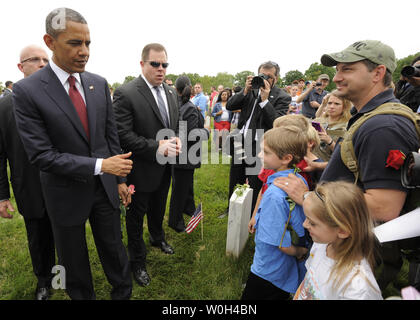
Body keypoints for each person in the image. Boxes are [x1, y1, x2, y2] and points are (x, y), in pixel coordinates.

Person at [274, 40, 420, 293]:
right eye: (337, 70)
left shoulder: (384, 126)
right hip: (347, 242)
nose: (337, 78)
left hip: (361, 254)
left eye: (347, 70)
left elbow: (384, 206)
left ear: (378, 73)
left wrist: (310, 199)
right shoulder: (369, 116)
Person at [13, 8, 133, 300]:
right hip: (63, 193)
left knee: (115, 250)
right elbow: (42, 156)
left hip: (105, 188)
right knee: (73, 263)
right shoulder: (27, 92)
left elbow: (109, 137)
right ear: (50, 41)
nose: (84, 52)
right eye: (74, 43)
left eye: (88, 43)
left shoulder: (99, 83)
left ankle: (123, 292)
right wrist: (102, 164)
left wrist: (118, 178)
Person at [112, 43, 181, 287]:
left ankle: (157, 237)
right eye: (155, 64)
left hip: (165, 168)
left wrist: (176, 139)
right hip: (139, 171)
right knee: (135, 217)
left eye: (165, 64)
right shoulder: (126, 93)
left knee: (158, 207)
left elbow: (174, 123)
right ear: (142, 64)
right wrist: (156, 147)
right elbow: (122, 134)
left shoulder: (171, 93)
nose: (161, 69)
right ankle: (137, 262)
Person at [0, 45, 55, 300]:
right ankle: (43, 280)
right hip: (28, 185)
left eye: (46, 59)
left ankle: (62, 274)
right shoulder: (5, 106)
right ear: (21, 67)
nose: (43, 63)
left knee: (64, 233)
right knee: (38, 236)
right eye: (36, 60)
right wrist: (2, 196)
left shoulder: (59, 97)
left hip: (61, 183)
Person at [241, 126, 309, 300]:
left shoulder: (274, 195)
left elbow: (281, 244)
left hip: (268, 270)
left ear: (286, 158)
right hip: (283, 269)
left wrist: (299, 251)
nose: (259, 155)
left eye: (266, 152)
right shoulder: (297, 179)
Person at [295, 181, 382, 300]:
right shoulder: (322, 244)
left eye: (312, 223)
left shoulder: (357, 289)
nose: (304, 224)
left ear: (343, 231)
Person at [225, 61, 291, 215]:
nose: (265, 79)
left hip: (260, 145)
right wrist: (245, 91)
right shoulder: (251, 90)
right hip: (241, 140)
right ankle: (231, 210)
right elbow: (229, 105)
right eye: (262, 75)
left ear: (277, 78)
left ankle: (249, 215)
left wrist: (265, 100)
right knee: (235, 177)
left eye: (269, 76)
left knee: (254, 181)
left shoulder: (283, 97)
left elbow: (276, 122)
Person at [168, 76, 209, 232]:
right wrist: (206, 131)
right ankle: (175, 220)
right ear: (190, 88)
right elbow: (191, 135)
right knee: (180, 189)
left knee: (186, 185)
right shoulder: (189, 107)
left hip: (175, 152)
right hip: (185, 155)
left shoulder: (174, 104)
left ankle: (189, 207)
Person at [313, 90, 352, 161]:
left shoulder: (348, 125)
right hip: (311, 161)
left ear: (345, 107)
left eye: (337, 104)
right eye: (329, 103)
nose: (331, 106)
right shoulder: (318, 121)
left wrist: (329, 141)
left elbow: (346, 155)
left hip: (329, 166)